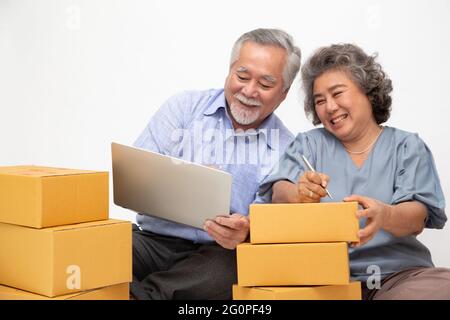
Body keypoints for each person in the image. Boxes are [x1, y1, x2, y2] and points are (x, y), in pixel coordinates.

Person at [256, 43, 450, 300]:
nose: (330, 107)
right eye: (320, 101)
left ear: (368, 92)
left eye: (337, 93)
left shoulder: (406, 146)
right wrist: (298, 194)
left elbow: (416, 219)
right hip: (324, 280)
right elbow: (278, 192)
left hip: (398, 277)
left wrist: (386, 214)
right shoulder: (308, 144)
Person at [130, 28, 301, 300]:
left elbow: (272, 223)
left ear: (284, 93)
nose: (249, 90)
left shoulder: (287, 149)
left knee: (232, 272)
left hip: (217, 255)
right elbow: (135, 178)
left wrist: (246, 230)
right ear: (229, 71)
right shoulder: (183, 108)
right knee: (101, 250)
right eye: (242, 76)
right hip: (152, 240)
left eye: (266, 84)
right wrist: (184, 180)